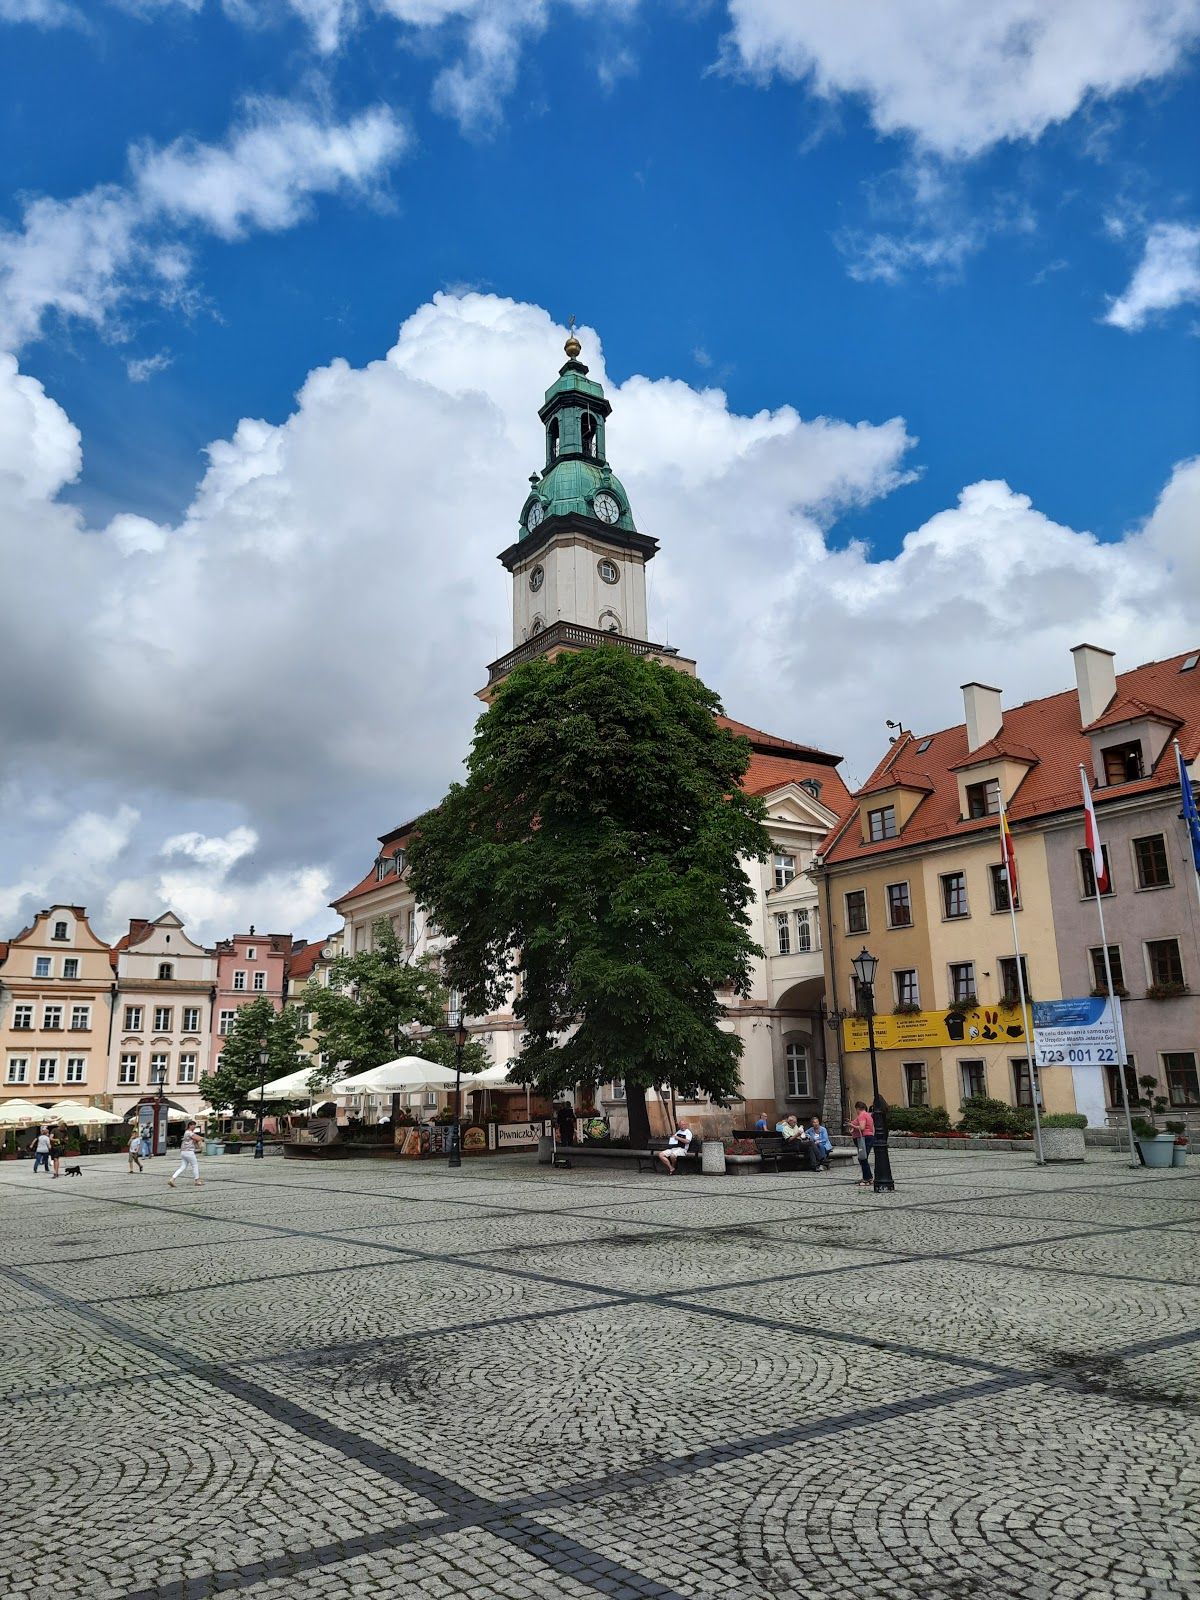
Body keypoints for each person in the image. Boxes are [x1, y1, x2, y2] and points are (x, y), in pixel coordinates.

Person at [168, 1121, 204, 1188]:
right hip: (189, 1152)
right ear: (190, 1126)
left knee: (183, 1167)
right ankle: (197, 1180)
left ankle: (172, 1179)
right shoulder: (188, 1132)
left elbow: (196, 1137)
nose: (194, 1127)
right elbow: (198, 1138)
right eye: (193, 1126)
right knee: (195, 1165)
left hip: (183, 1152)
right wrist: (201, 1138)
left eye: (195, 1126)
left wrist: (199, 1138)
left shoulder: (187, 1132)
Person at [850, 1100, 875, 1187]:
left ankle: (867, 1179)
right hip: (868, 1137)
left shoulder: (862, 1115)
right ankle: (868, 1177)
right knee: (863, 1158)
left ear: (858, 1108)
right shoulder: (868, 1114)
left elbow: (862, 1127)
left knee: (862, 1158)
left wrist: (852, 1125)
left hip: (864, 1138)